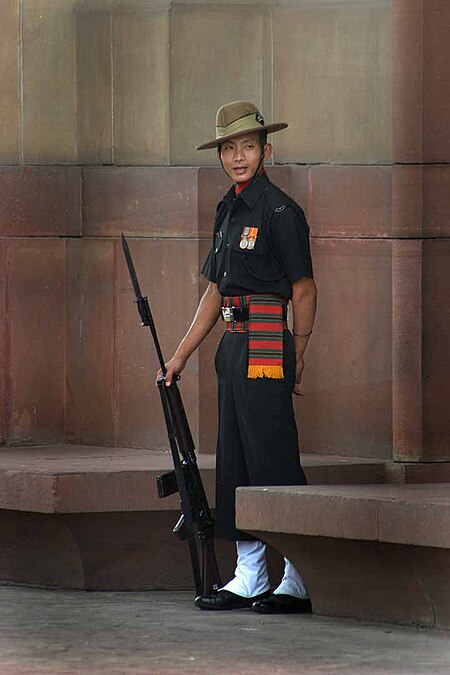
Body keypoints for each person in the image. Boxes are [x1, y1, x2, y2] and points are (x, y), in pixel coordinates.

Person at [160, 101, 317, 614]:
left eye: (248, 146)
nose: (239, 156)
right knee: (235, 456)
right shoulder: (226, 210)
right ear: (221, 155)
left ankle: (297, 574)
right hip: (232, 343)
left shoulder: (280, 211)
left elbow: (304, 289)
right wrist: (180, 356)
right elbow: (212, 292)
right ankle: (249, 572)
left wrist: (300, 353)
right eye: (229, 148)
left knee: (273, 453)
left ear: (266, 150)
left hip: (270, 341)